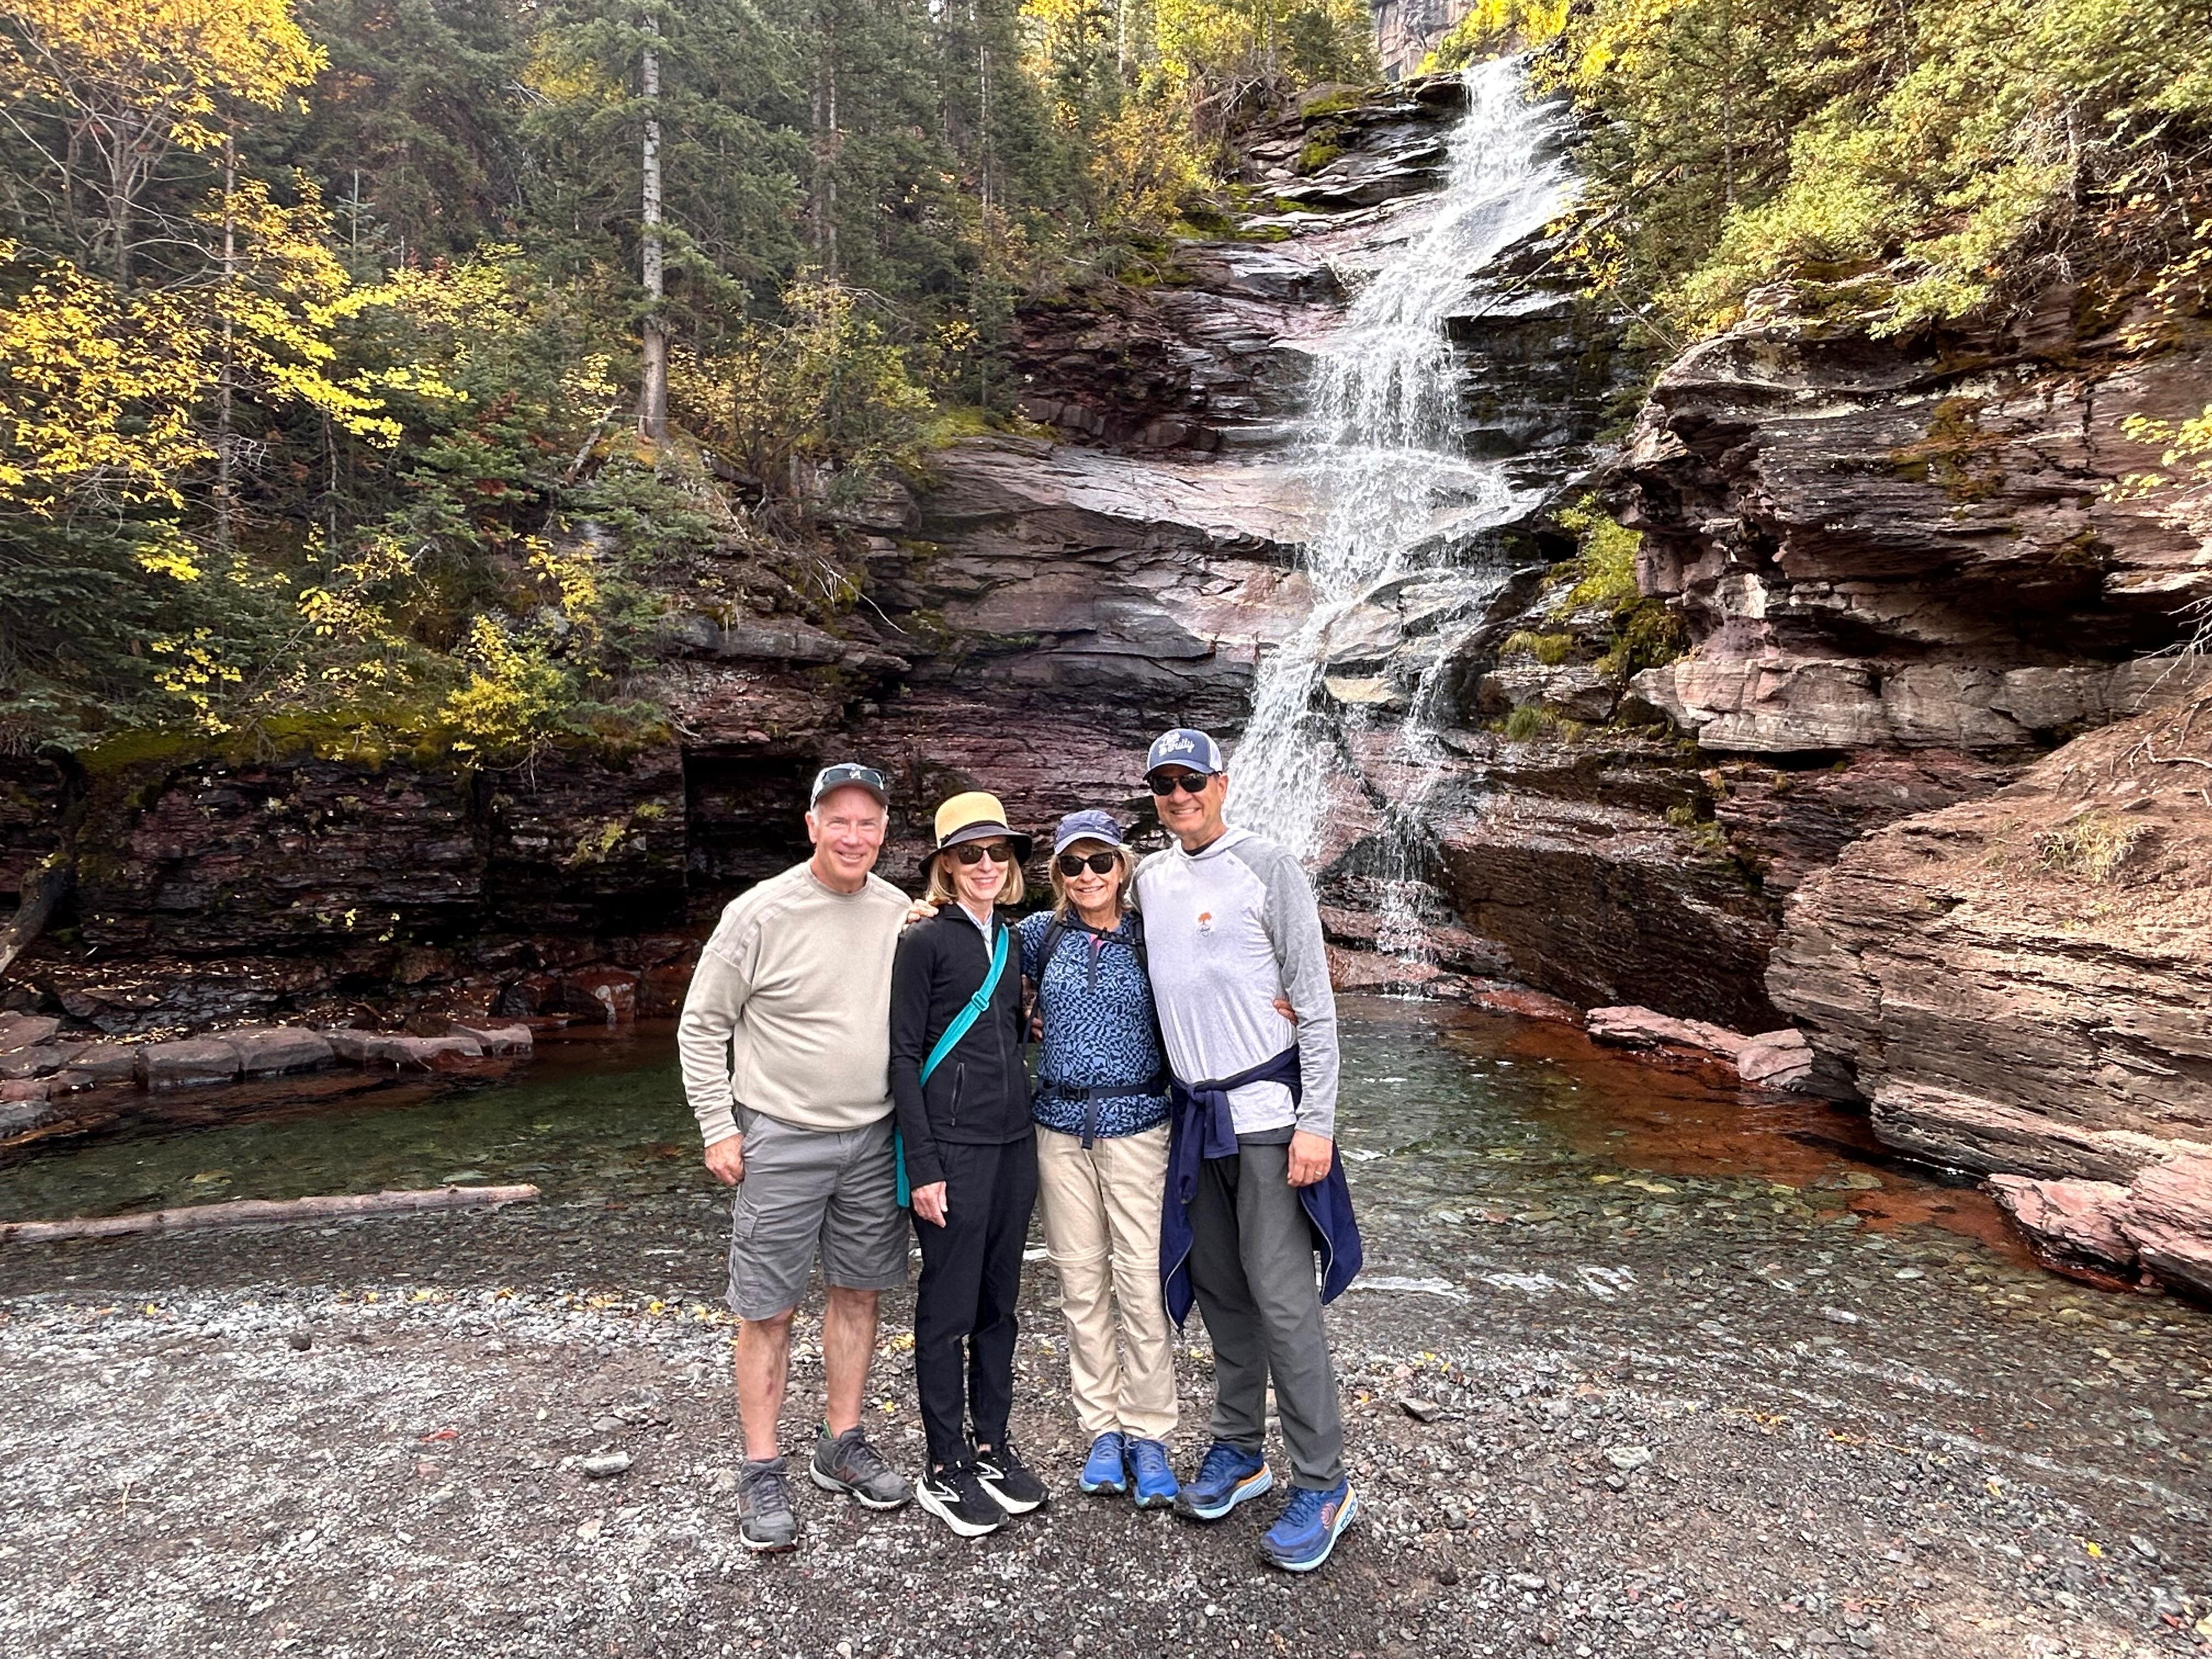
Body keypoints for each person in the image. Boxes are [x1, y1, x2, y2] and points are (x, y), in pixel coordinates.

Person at [1135, 727, 1364, 1573]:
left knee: (1282, 1299)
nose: (1178, 793)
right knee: (1223, 1291)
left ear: (1221, 783)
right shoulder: (1150, 879)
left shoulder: (1268, 867)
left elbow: (1314, 1003)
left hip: (1270, 1118)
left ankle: (1324, 1480)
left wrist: (1319, 1121)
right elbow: (1074, 919)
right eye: (1163, 782)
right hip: (1198, 1122)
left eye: (1190, 778)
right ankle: (1240, 1447)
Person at [675, 762, 915, 1553]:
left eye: (868, 823)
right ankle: (762, 1466)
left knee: (858, 1292)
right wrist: (719, 1125)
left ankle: (839, 1443)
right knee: (767, 1307)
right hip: (780, 1135)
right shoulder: (759, 913)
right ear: (811, 825)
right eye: (838, 821)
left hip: (874, 1137)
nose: (854, 836)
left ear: (885, 830)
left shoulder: (897, 913)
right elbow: (701, 1024)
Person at [890, 791, 1049, 1537]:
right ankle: (944, 1464)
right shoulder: (923, 941)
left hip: (1016, 1145)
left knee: (999, 1308)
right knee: (946, 1311)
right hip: (951, 1150)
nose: (985, 865)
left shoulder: (1015, 942)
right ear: (945, 867)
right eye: (968, 854)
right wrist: (922, 1167)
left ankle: (992, 1444)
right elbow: (904, 1056)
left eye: (997, 852)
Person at [1017, 809, 1181, 1509]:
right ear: (1058, 873)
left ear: (1123, 868)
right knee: (1081, 1283)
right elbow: (969, 955)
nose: (1089, 876)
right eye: (1074, 865)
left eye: (1101, 863)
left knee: (1141, 1282)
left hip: (1140, 1127)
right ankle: (1102, 1430)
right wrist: (916, 913)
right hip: (1056, 1127)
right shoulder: (1038, 935)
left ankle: (1149, 1433)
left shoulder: (1154, 935)